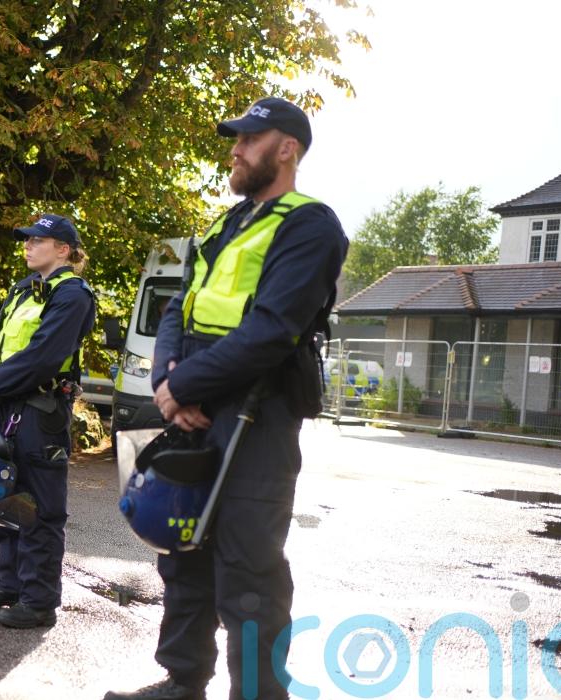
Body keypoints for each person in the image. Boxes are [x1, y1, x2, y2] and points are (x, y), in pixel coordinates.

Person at [105, 98, 348, 700]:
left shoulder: (310, 225)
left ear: (286, 149)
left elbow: (272, 329)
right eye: (235, 139)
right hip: (195, 409)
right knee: (182, 549)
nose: (235, 150)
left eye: (248, 139)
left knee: (249, 570)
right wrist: (166, 385)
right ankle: (183, 681)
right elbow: (177, 309)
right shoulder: (226, 223)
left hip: (257, 417)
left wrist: (184, 386)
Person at [0, 213, 96, 629]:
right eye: (27, 239)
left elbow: (45, 354)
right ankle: (11, 585)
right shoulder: (23, 289)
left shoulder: (73, 295)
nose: (27, 245)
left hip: (41, 411)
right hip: (4, 407)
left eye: (37, 240)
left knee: (40, 506)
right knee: (4, 499)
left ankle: (39, 601)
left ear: (63, 249)